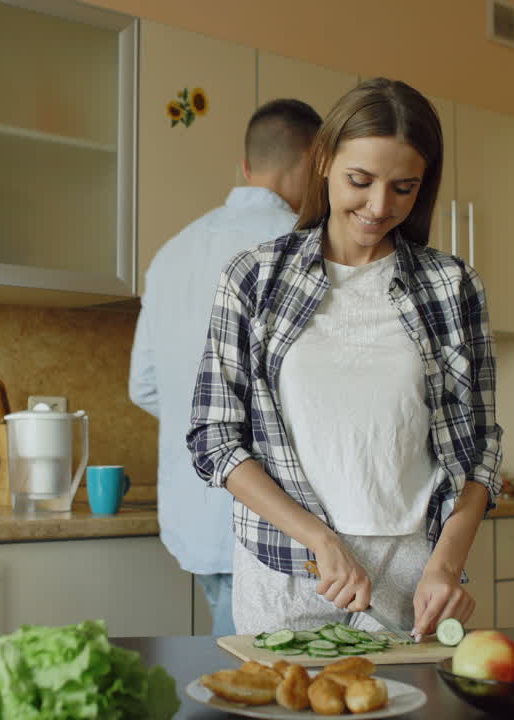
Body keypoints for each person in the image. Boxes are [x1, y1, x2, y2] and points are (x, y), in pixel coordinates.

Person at [187, 77, 503, 639]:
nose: (380, 206)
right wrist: (320, 539)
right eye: (361, 180)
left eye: (404, 188)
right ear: (324, 160)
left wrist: (446, 566)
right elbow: (215, 438)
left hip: (414, 577)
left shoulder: (452, 286)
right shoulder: (255, 277)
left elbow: (479, 449)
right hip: (287, 568)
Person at [130, 99, 323, 637]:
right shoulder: (305, 249)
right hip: (280, 521)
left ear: (245, 166)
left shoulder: (170, 253)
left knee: (239, 677)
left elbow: (144, 386)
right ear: (314, 160)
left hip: (195, 517)